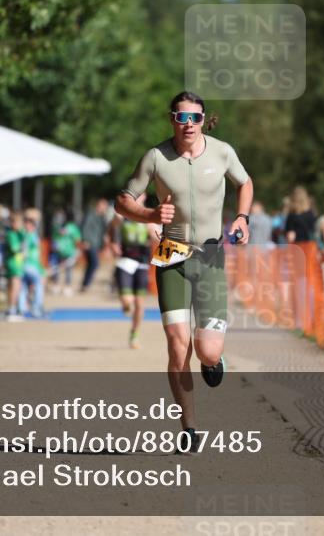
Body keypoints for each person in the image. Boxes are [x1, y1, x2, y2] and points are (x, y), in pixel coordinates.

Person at [115, 91, 253, 454]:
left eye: (195, 118)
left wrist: (242, 218)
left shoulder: (222, 152)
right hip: (171, 257)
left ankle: (213, 361)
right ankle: (189, 428)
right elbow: (122, 201)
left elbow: (245, 183)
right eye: (182, 118)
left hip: (210, 257)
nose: (188, 125)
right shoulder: (156, 157)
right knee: (178, 349)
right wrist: (149, 215)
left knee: (207, 351)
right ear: (172, 120)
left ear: (204, 120)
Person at [109, 209, 160, 349]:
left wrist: (154, 234)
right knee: (128, 300)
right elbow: (112, 226)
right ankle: (125, 304)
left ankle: (134, 334)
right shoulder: (122, 217)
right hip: (125, 262)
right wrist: (112, 243)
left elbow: (158, 238)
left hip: (142, 265)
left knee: (139, 304)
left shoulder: (149, 220)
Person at [19, 209, 45, 320]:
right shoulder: (31, 236)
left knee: (23, 287)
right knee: (38, 286)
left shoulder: (24, 235)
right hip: (31, 265)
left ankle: (22, 308)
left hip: (24, 265)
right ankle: (36, 308)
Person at [49, 210, 81, 296]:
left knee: (61, 268)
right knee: (63, 269)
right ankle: (63, 286)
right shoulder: (71, 227)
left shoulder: (59, 226)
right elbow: (77, 239)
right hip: (63, 251)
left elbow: (76, 239)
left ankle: (60, 286)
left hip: (64, 251)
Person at [80, 198, 109, 292]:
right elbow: (85, 227)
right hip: (90, 243)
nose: (105, 208)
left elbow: (103, 231)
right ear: (99, 205)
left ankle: (85, 284)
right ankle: (86, 284)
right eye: (104, 206)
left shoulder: (102, 218)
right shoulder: (91, 215)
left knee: (91, 264)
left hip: (96, 244)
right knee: (94, 263)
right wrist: (85, 240)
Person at [4, 209, 25, 321]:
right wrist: (21, 249)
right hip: (13, 264)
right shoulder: (11, 234)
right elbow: (14, 248)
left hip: (18, 264)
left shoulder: (18, 234)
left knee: (16, 287)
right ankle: (12, 309)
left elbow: (24, 237)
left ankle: (13, 308)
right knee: (15, 287)